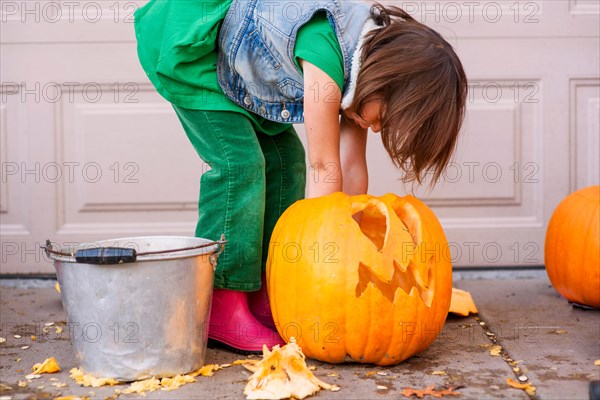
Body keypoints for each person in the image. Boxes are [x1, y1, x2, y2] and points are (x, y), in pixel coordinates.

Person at [134, 0, 467, 353]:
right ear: (385, 79)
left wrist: (353, 237)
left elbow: (351, 166)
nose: (378, 127)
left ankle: (268, 287)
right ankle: (221, 300)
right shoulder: (326, 62)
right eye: (386, 117)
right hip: (195, 47)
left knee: (288, 160)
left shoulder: (365, 79)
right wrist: (323, 254)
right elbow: (325, 166)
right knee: (240, 165)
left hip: (242, 69)